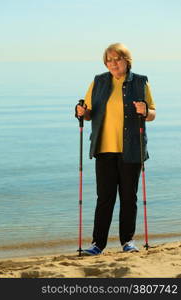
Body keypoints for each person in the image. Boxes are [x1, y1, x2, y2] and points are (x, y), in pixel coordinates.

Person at [76, 43, 156, 255]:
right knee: (105, 198)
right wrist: (81, 111)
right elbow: (88, 112)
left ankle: (127, 242)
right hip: (104, 149)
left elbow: (152, 113)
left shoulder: (140, 82)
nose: (112, 63)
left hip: (132, 149)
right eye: (108, 60)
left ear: (126, 61)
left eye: (117, 59)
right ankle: (97, 244)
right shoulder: (99, 81)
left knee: (129, 197)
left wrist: (146, 110)